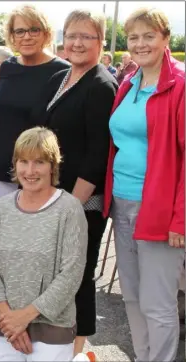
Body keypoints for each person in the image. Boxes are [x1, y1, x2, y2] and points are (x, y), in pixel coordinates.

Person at [34, 9, 118, 355]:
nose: (78, 42)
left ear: (101, 43)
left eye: (87, 36)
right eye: (72, 35)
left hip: (82, 204)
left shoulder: (100, 85)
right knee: (58, 275)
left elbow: (98, 156)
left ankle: (79, 348)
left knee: (78, 277)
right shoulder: (63, 76)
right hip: (56, 198)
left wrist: (67, 206)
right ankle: (58, 343)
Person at [103, 8, 185, 362]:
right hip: (123, 203)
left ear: (165, 38)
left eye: (148, 36)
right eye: (134, 37)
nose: (140, 44)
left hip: (160, 210)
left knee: (158, 301)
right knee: (133, 296)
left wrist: (180, 219)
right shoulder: (128, 82)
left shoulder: (180, 85)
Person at [0, 127, 88, 360]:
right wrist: (9, 319)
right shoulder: (2, 208)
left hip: (52, 330)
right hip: (6, 327)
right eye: (23, 161)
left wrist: (25, 317)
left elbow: (71, 274)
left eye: (39, 162)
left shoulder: (69, 209)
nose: (30, 171)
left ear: (53, 166)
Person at [0, 4, 70, 200]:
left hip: (40, 171)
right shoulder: (7, 68)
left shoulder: (63, 71)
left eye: (34, 30)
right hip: (4, 167)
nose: (27, 36)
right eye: (20, 31)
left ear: (46, 34)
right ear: (12, 36)